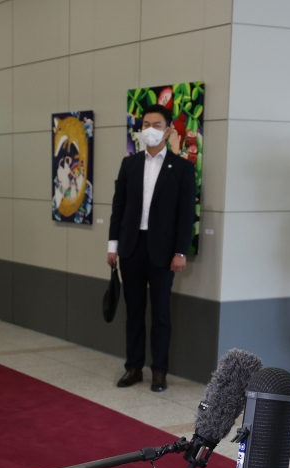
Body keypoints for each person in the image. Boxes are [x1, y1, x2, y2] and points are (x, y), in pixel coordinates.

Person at [108, 104, 196, 392]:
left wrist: (181, 251)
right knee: (134, 311)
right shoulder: (129, 164)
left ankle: (159, 371)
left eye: (157, 125)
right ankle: (133, 367)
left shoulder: (182, 168)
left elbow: (186, 214)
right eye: (146, 124)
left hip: (163, 250)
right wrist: (113, 246)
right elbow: (118, 208)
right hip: (131, 248)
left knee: (160, 313)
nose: (150, 129)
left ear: (168, 129)